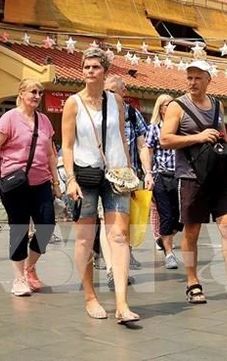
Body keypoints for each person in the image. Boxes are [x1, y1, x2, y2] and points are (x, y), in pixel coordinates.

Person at [160, 60, 227, 306]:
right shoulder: (177, 106)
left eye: (197, 78)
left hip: (218, 176)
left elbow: (224, 138)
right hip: (191, 177)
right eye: (189, 77)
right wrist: (198, 137)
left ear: (208, 80)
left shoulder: (217, 105)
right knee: (192, 231)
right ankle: (192, 282)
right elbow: (165, 139)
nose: (192, 82)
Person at [63, 48, 139, 323]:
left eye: (95, 67)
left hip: (116, 174)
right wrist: (70, 178)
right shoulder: (73, 103)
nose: (90, 71)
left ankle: (121, 303)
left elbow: (120, 136)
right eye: (86, 67)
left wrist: (130, 171)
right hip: (85, 176)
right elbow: (67, 145)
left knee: (119, 235)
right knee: (85, 237)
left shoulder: (116, 101)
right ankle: (90, 296)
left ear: (105, 71)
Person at [0, 78, 61, 296]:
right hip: (14, 182)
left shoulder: (44, 120)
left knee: (46, 226)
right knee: (19, 228)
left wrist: (56, 182)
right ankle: (18, 279)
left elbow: (50, 154)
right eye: (33, 92)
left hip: (41, 181)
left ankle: (29, 267)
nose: (37, 96)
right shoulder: (9, 118)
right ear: (21, 93)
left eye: (40, 93)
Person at [103, 74, 151, 276]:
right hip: (103, 176)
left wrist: (148, 172)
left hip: (128, 177)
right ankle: (111, 268)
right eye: (105, 91)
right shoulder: (99, 112)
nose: (108, 95)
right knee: (106, 220)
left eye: (112, 91)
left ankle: (124, 255)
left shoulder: (132, 114)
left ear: (123, 92)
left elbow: (143, 145)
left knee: (125, 220)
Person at [145, 94, 180, 269]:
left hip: (180, 176)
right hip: (161, 175)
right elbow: (148, 150)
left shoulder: (180, 128)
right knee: (165, 214)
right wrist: (148, 173)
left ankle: (162, 238)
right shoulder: (154, 128)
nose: (171, 107)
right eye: (167, 105)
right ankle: (169, 253)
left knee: (180, 216)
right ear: (160, 108)